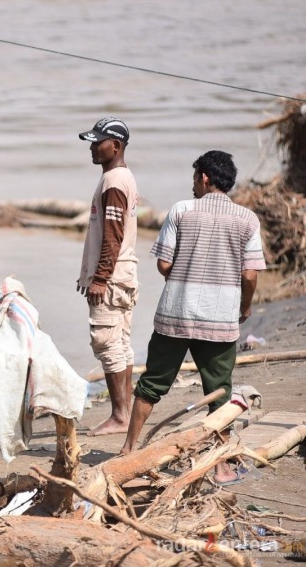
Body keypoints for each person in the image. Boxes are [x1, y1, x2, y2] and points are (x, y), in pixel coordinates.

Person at [120, 150, 265, 483]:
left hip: (176, 314)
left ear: (203, 178)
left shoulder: (181, 211)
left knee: (152, 384)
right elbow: (251, 275)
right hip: (220, 320)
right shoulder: (247, 219)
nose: (193, 186)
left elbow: (164, 264)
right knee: (219, 390)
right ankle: (220, 463)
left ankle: (129, 448)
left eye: (194, 180)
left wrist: (186, 276)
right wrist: (244, 307)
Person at [77, 117, 140, 437]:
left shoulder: (114, 181)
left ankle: (119, 415)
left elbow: (112, 237)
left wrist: (99, 278)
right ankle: (125, 412)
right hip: (124, 272)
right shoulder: (120, 178)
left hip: (113, 277)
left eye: (97, 142)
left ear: (115, 146)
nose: (92, 147)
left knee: (106, 342)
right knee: (121, 343)